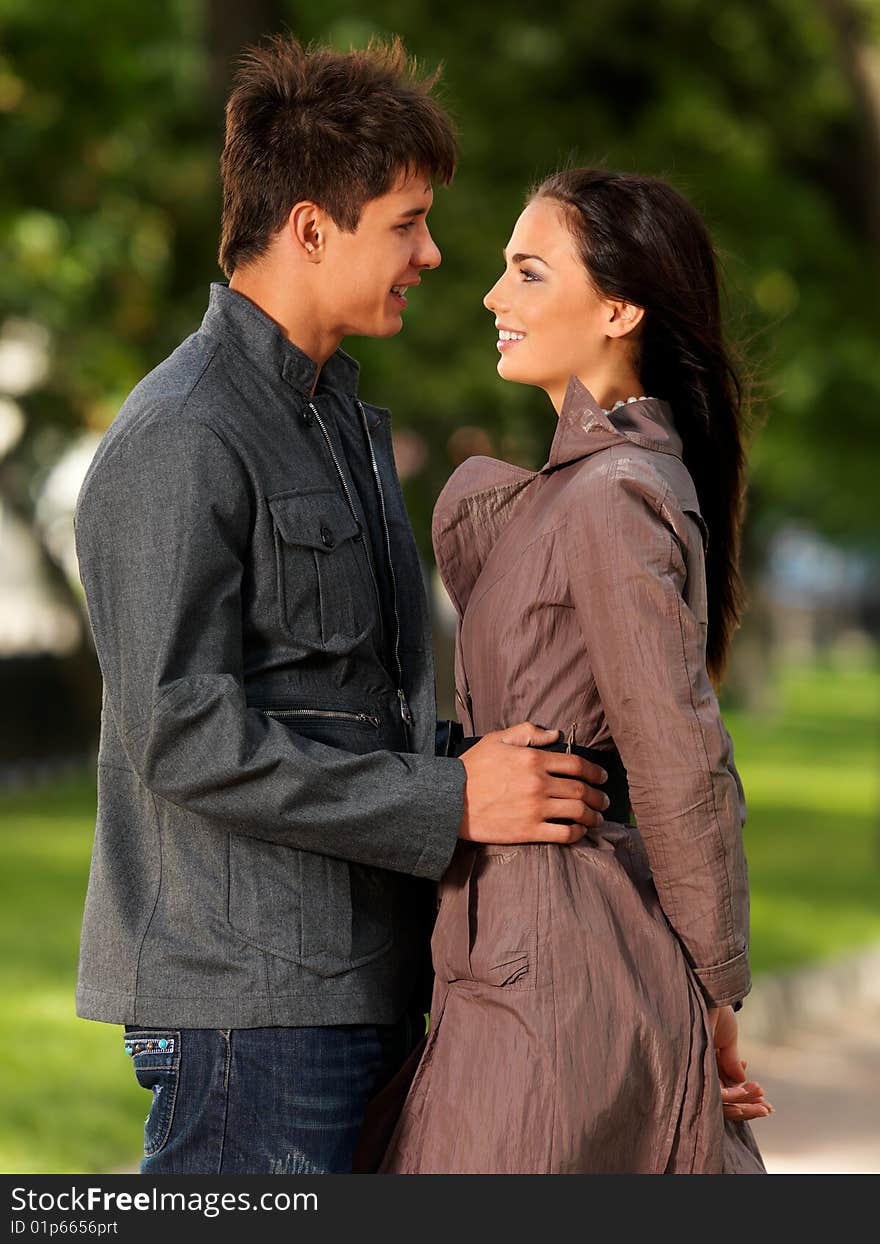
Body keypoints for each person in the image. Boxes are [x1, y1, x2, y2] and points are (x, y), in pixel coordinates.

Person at [72, 40, 609, 1176]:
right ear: (311, 227)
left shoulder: (341, 424)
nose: (433, 252)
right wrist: (447, 795)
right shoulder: (183, 434)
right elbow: (182, 732)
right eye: (406, 223)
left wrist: (490, 766)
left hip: (361, 981)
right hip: (249, 1012)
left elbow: (342, 705)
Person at [378, 168, 770, 1174]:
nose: (491, 297)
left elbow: (681, 753)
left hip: (555, 963)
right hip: (502, 947)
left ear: (617, 307)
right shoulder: (565, 492)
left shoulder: (615, 494)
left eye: (526, 271)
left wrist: (713, 990)